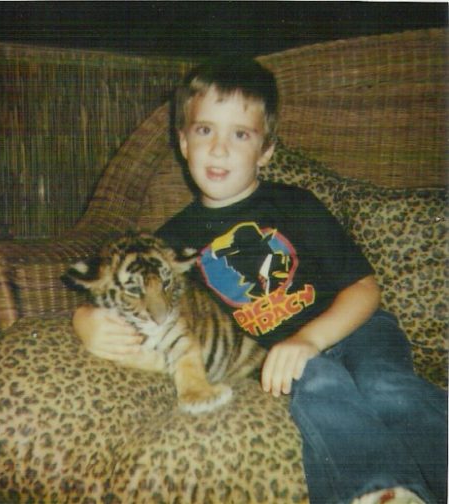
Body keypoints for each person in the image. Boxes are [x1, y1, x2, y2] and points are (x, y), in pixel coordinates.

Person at [73, 59, 447, 504]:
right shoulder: (170, 243)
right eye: (205, 131)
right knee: (321, 385)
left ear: (266, 151)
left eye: (240, 135)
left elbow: (365, 289)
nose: (219, 149)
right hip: (293, 364)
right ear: (183, 143)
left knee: (388, 386)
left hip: (356, 329)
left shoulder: (295, 204)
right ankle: (382, 494)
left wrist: (307, 339)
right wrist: (85, 319)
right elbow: (121, 284)